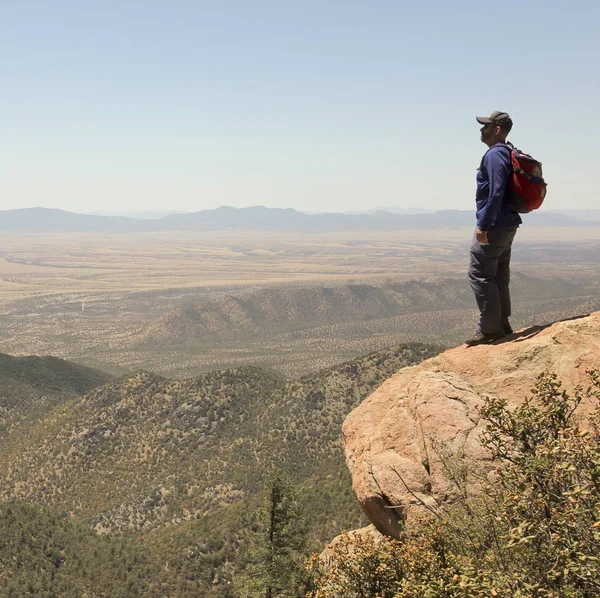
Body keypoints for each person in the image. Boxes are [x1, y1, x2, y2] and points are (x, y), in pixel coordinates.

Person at [466, 110, 521, 346]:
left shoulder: (495, 154)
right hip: (508, 223)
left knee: (480, 274)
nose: (482, 129)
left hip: (496, 224)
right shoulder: (508, 152)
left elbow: (496, 191)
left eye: (486, 126)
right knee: (498, 275)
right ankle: (502, 325)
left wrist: (484, 225)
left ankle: (490, 330)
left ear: (497, 130)